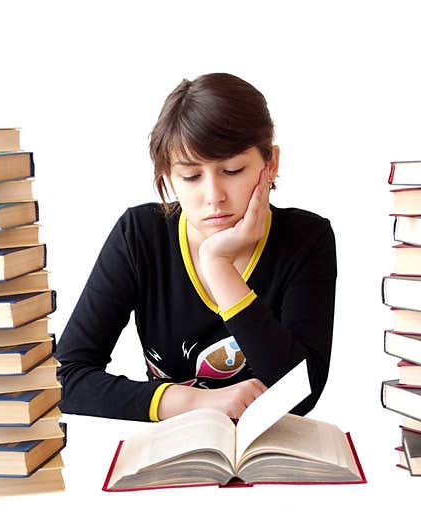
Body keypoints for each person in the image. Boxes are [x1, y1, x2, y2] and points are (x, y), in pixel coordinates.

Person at [56, 72, 336, 422]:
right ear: (169, 177)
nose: (213, 196)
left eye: (232, 170)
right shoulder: (140, 236)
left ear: (271, 164)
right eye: (190, 177)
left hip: (271, 459)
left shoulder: (306, 238)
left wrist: (219, 266)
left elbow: (302, 393)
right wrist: (193, 402)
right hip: (176, 455)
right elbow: (65, 378)